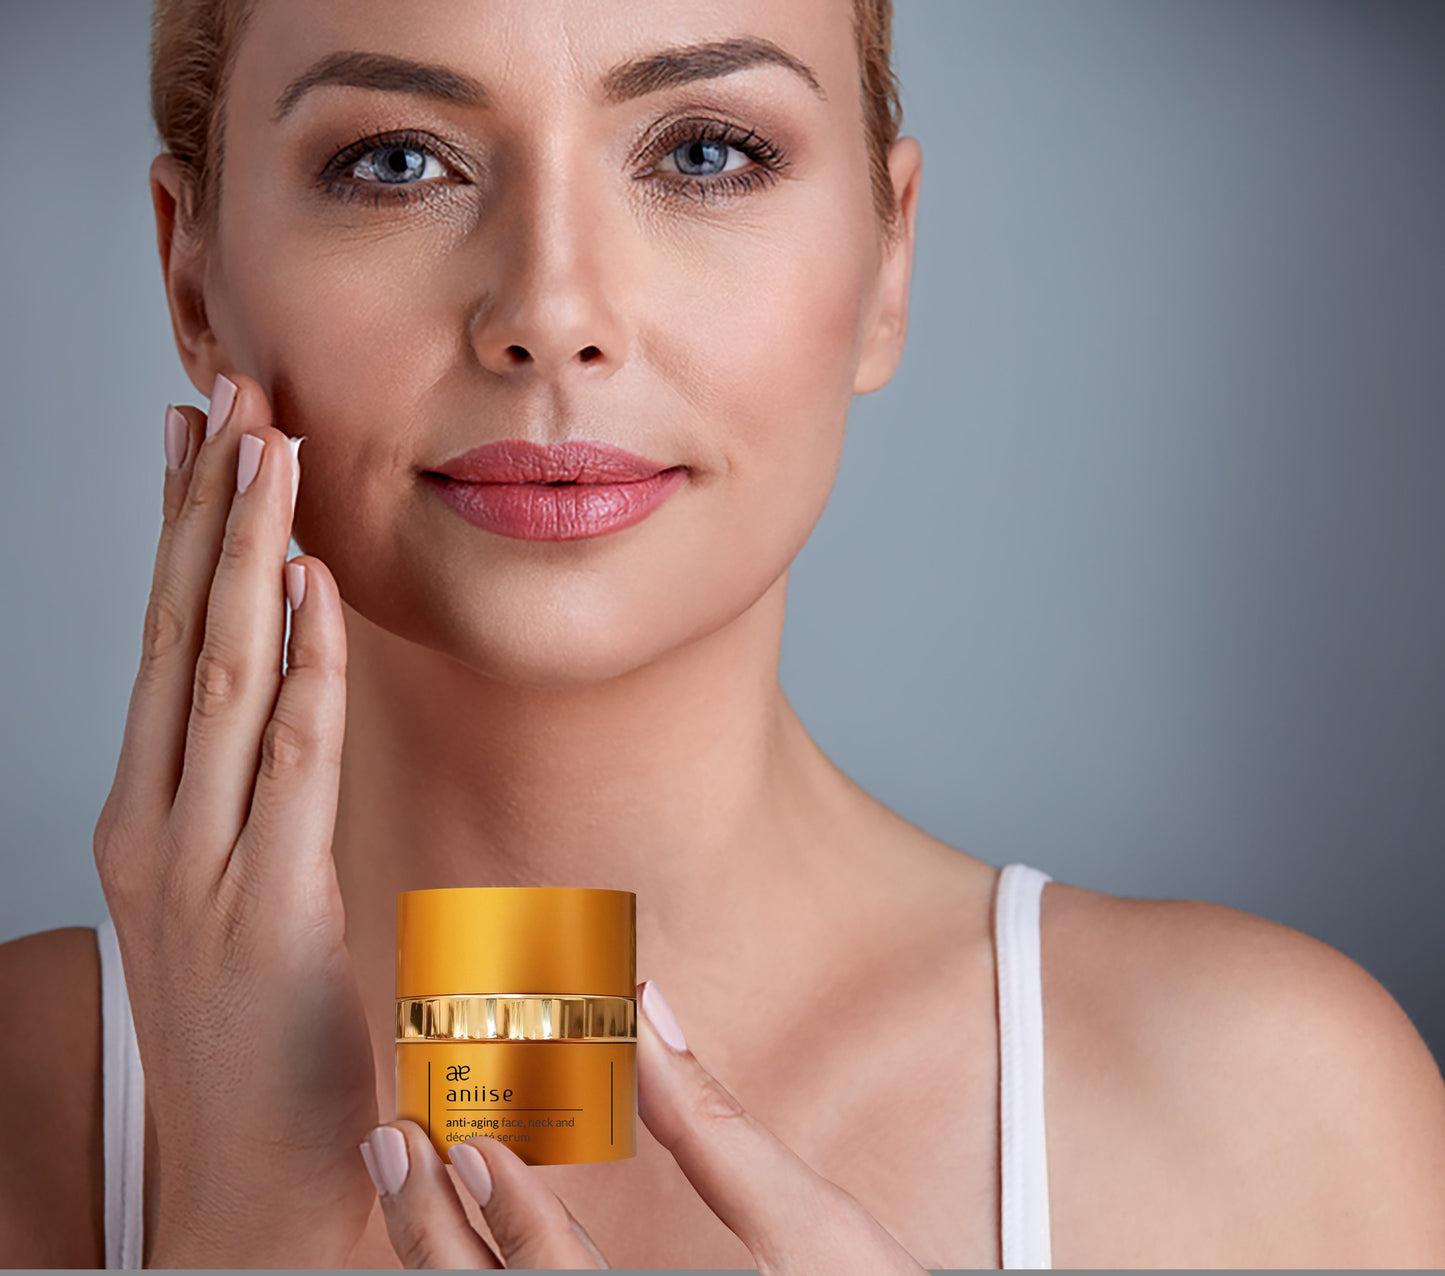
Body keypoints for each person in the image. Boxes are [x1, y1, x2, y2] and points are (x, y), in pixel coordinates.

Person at [3, 0, 1444, 1268]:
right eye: (396, 162)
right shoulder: (20, 1105)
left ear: (885, 262)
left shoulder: (1262, 1115)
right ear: (194, 278)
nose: (552, 313)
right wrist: (230, 1247)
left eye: (704, 152)